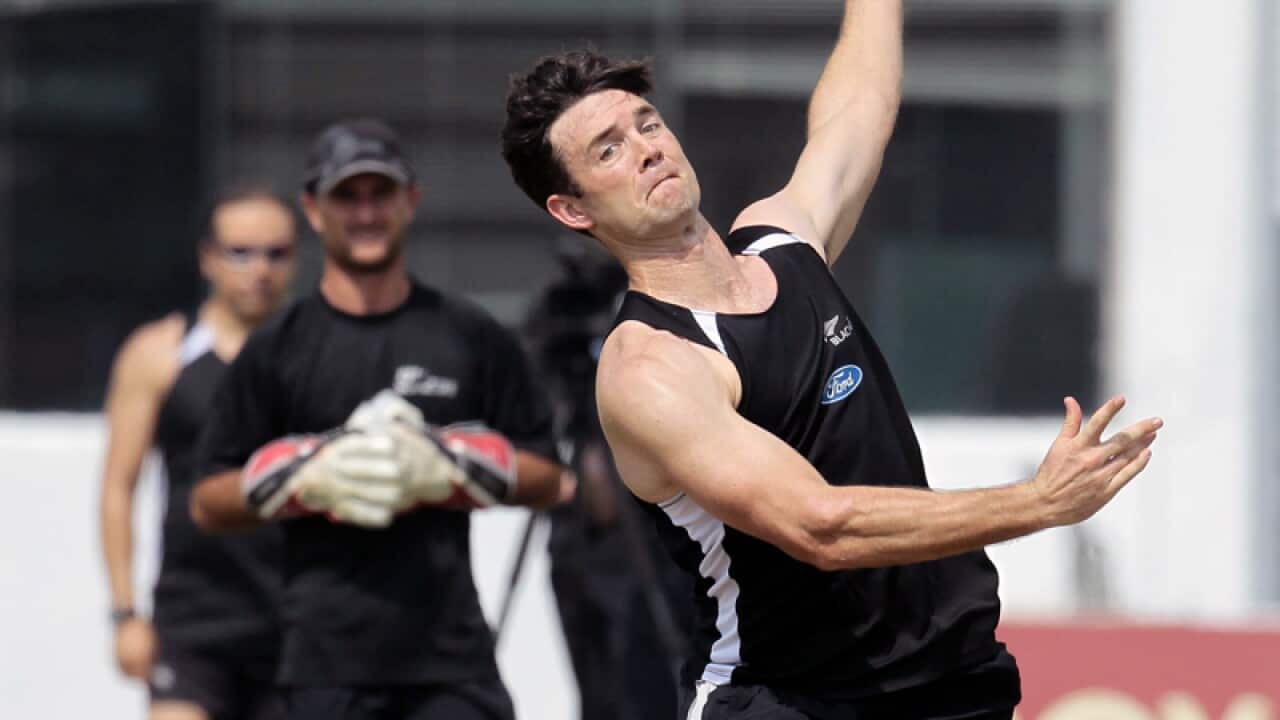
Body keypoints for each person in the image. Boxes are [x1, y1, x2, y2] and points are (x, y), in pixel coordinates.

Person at [499, 3, 1162, 718]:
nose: (647, 149)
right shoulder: (652, 367)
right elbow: (823, 526)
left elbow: (860, 108)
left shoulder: (785, 241)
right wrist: (1037, 503)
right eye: (608, 150)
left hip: (951, 683)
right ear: (572, 211)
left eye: (647, 123)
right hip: (794, 705)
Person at [190, 118, 563, 720]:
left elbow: (549, 475)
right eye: (346, 196)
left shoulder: (468, 333)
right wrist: (302, 475)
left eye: (380, 193)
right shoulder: (277, 347)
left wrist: (452, 466)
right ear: (313, 210)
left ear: (409, 201)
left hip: (451, 663)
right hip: (323, 667)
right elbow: (209, 500)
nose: (365, 213)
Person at [99, 184, 297, 720]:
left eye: (276, 253)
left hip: (297, 628)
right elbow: (119, 487)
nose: (260, 269)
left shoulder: (318, 352)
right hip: (193, 622)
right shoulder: (158, 353)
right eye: (241, 252)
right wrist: (125, 614)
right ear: (208, 258)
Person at [522, 242, 690, 720]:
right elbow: (534, 378)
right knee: (595, 693)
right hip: (576, 541)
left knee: (649, 685)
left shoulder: (660, 319)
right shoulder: (562, 320)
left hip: (649, 543)